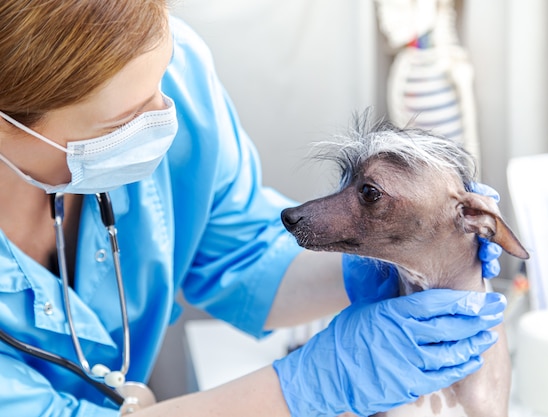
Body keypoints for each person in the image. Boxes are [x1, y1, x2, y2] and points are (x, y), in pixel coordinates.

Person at [0, 1, 505, 416]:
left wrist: (389, 251)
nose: (165, 121)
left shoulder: (174, 78)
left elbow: (243, 255)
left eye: (161, 83)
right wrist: (309, 385)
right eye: (124, 121)